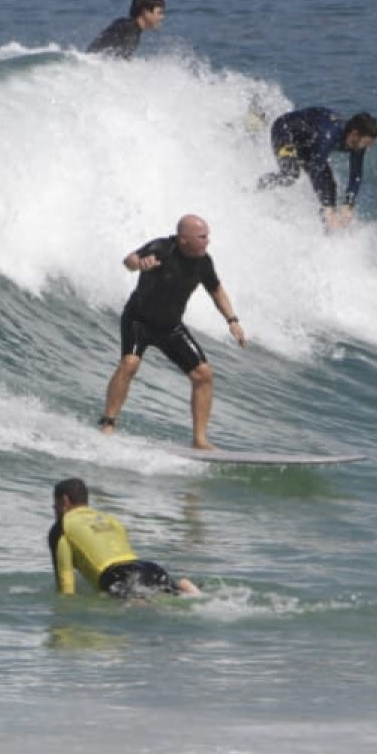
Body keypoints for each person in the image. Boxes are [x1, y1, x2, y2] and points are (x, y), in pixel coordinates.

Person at [98, 213, 246, 449]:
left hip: (170, 327)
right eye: (203, 236)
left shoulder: (203, 262)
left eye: (207, 236)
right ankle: (108, 422)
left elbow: (216, 291)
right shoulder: (161, 248)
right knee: (129, 364)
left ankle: (199, 440)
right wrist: (139, 264)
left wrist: (232, 320)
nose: (208, 241)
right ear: (184, 239)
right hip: (139, 320)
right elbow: (129, 260)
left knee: (203, 375)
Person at [48, 477, 198, 599]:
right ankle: (184, 586)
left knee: (142, 607)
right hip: (148, 566)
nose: (54, 510)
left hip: (116, 576)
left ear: (65, 501)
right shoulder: (109, 519)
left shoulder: (61, 528)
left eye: (54, 506)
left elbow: (65, 583)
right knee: (172, 594)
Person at [262, 107, 377, 229]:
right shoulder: (330, 134)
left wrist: (348, 204)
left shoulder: (357, 144)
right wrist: (328, 208)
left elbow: (355, 174)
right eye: (366, 143)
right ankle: (258, 188)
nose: (368, 147)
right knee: (290, 175)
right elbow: (315, 168)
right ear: (355, 134)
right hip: (285, 132)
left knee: (330, 188)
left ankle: (327, 234)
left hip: (308, 144)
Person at [87, 0, 166, 59]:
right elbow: (121, 59)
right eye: (159, 13)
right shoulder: (132, 31)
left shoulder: (124, 24)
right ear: (145, 12)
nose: (162, 17)